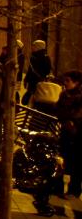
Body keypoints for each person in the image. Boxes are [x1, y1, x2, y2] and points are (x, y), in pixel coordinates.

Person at [56, 70, 82, 199]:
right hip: (66, 131)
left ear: (76, 83)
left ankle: (74, 191)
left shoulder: (80, 96)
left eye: (68, 81)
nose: (65, 83)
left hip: (78, 133)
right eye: (64, 80)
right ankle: (57, 187)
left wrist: (72, 121)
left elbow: (78, 114)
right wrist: (66, 119)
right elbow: (59, 110)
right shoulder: (64, 95)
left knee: (77, 162)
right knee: (64, 159)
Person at [22, 40, 53, 105]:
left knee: (35, 98)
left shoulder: (42, 57)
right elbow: (30, 70)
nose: (32, 47)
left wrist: (27, 79)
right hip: (35, 81)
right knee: (32, 98)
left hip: (37, 82)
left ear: (38, 47)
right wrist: (26, 79)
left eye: (34, 46)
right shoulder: (36, 57)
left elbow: (47, 70)